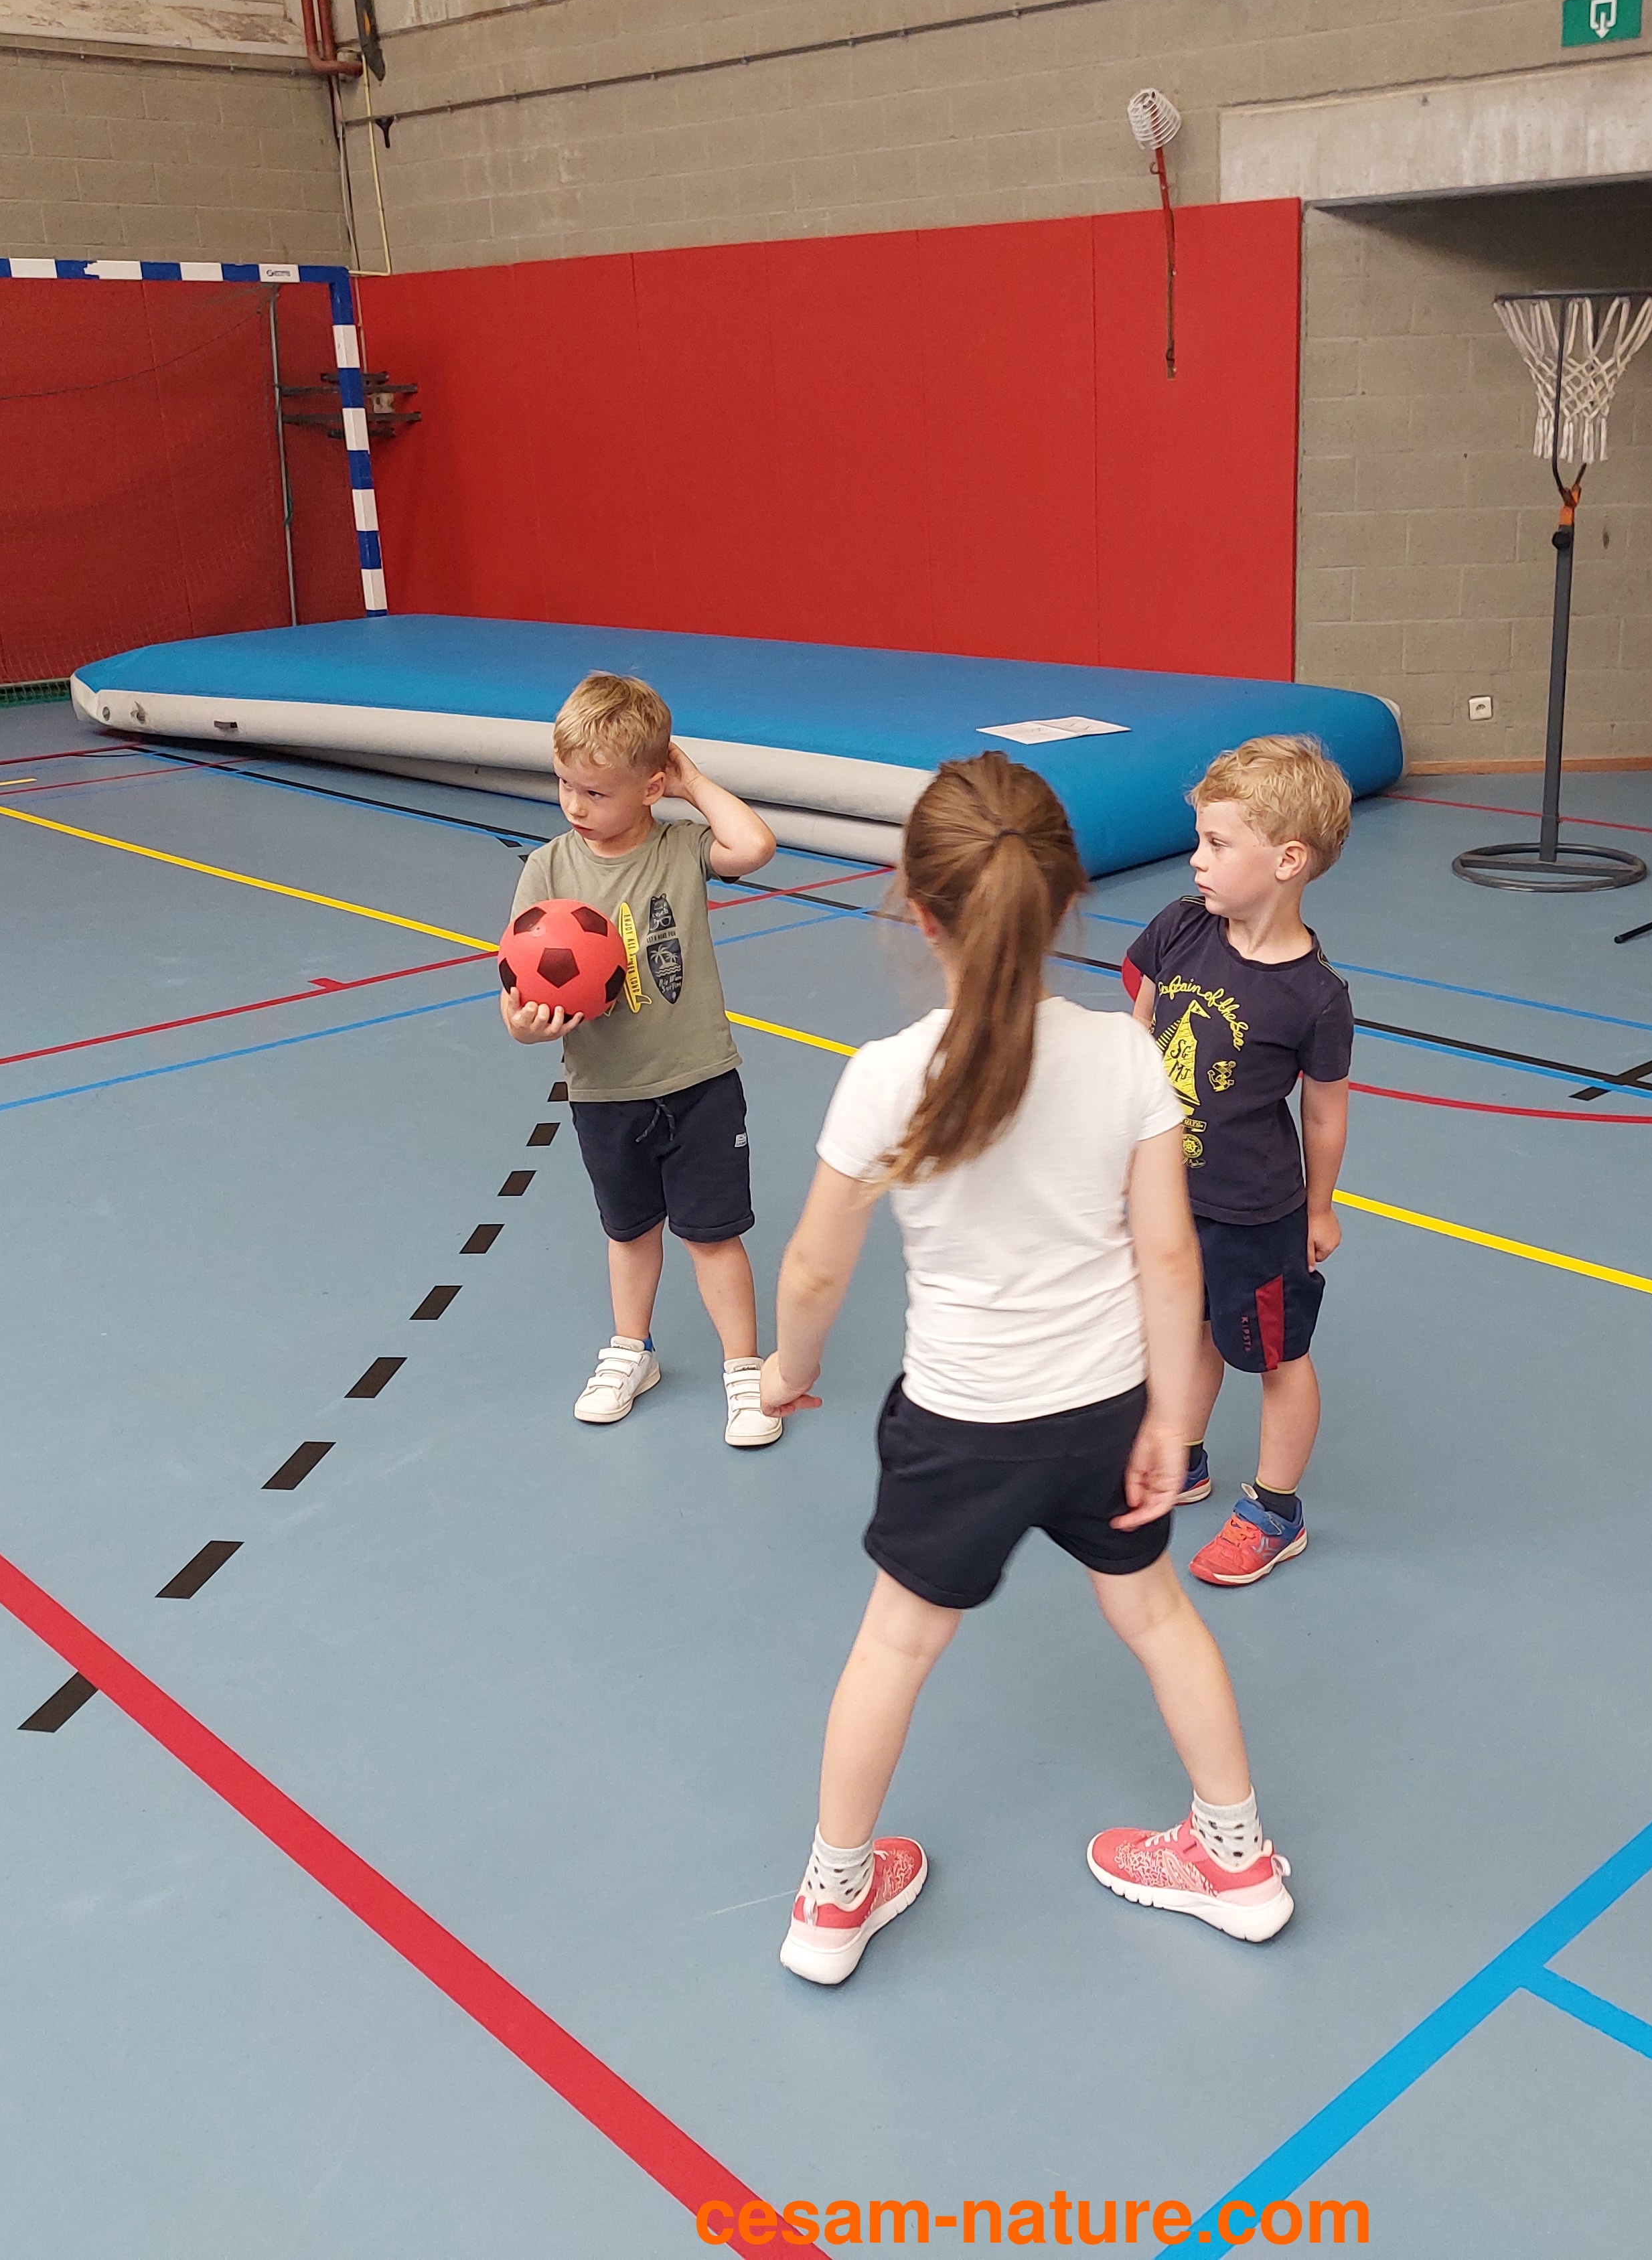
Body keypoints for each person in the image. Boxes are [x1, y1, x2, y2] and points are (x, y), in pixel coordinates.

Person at [755, 753, 1292, 1985]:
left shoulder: (887, 1075)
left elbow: (815, 1268)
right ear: (1065, 901)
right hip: (1104, 1412)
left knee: (894, 1647)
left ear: (918, 909)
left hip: (959, 1426)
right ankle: (1237, 1863)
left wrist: (786, 1370)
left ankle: (832, 1900)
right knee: (1157, 1616)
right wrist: (1169, 1417)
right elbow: (1169, 1256)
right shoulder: (1122, 1055)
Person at [502, 672, 787, 1448]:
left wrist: (693, 783)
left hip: (699, 1083)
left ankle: (743, 1371)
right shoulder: (548, 869)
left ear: (651, 787)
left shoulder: (681, 848)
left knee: (713, 1234)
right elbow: (515, 987)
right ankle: (633, 1350)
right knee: (628, 1232)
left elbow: (755, 846)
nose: (574, 804)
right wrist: (526, 1028)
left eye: (595, 792)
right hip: (605, 1091)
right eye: (565, 784)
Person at [1120, 735, 1355, 1589]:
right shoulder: (1180, 927)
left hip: (1255, 1215)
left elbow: (1323, 1111)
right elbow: (1138, 1037)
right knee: (1188, 1329)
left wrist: (1319, 1207)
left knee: (1275, 1356)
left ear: (1288, 860)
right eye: (1200, 840)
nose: (1196, 860)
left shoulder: (1314, 997)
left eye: (1218, 844)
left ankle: (1275, 1510)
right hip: (1169, 1195)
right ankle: (1182, 1456)